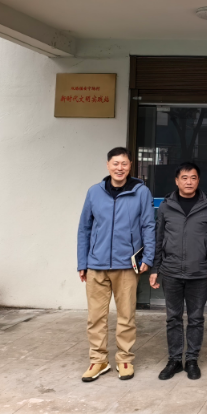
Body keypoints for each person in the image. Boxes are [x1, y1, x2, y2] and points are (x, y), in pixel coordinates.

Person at [77, 147, 155, 382]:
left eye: (124, 164)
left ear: (130, 166)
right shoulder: (94, 192)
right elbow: (84, 228)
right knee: (95, 317)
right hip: (96, 265)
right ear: (108, 165)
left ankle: (124, 359)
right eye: (115, 163)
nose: (119, 168)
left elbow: (148, 225)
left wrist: (148, 257)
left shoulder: (141, 192)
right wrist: (82, 262)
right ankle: (98, 360)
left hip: (126, 266)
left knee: (126, 316)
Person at [150, 162, 207, 381]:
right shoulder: (166, 206)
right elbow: (158, 239)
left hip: (199, 272)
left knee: (196, 318)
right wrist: (155, 268)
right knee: (173, 318)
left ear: (198, 180)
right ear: (177, 181)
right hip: (171, 271)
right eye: (184, 178)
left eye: (193, 178)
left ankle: (192, 359)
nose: (189, 182)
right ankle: (174, 360)